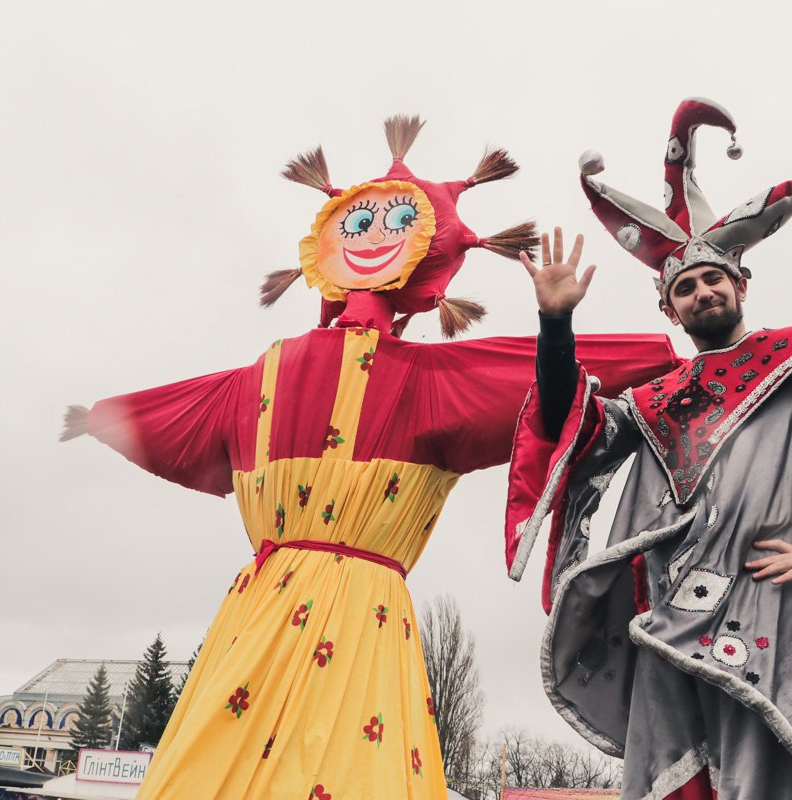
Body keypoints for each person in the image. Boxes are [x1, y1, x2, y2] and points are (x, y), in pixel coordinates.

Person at [61, 116, 679, 799]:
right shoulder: (424, 381)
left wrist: (101, 417)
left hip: (262, 608)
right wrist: (660, 359)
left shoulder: (259, 379)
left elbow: (172, 416)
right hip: (359, 613)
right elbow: (537, 386)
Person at [504, 98, 792, 800]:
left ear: (741, 284)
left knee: (769, 780)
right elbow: (575, 430)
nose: (702, 290)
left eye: (713, 278)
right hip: (664, 618)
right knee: (671, 785)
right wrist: (555, 327)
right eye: (685, 286)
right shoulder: (655, 400)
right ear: (670, 308)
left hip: (770, 607)